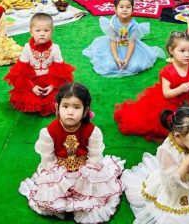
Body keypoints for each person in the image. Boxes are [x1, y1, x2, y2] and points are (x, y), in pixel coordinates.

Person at [19, 82, 124, 223]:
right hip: (59, 172)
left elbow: (94, 158)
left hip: (84, 171)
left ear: (85, 111)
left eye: (76, 107)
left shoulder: (93, 131)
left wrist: (82, 182)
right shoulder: (48, 132)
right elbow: (48, 160)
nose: (70, 112)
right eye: (65, 106)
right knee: (48, 202)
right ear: (57, 107)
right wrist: (62, 184)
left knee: (95, 200)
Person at [4, 12, 75, 115]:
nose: (42, 34)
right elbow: (21, 72)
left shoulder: (55, 48)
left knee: (60, 98)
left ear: (51, 32)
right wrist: (32, 87)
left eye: (46, 30)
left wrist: (52, 86)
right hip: (31, 81)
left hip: (50, 81)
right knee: (27, 98)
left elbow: (60, 71)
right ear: (31, 32)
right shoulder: (27, 48)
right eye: (38, 30)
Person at [81, 0, 165, 76]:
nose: (124, 10)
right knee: (109, 65)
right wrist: (116, 58)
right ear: (115, 9)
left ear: (132, 9)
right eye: (121, 7)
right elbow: (113, 41)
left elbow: (132, 43)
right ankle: (114, 60)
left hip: (129, 47)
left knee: (135, 66)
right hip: (113, 46)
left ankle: (127, 61)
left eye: (128, 7)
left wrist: (127, 59)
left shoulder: (134, 26)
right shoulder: (112, 23)